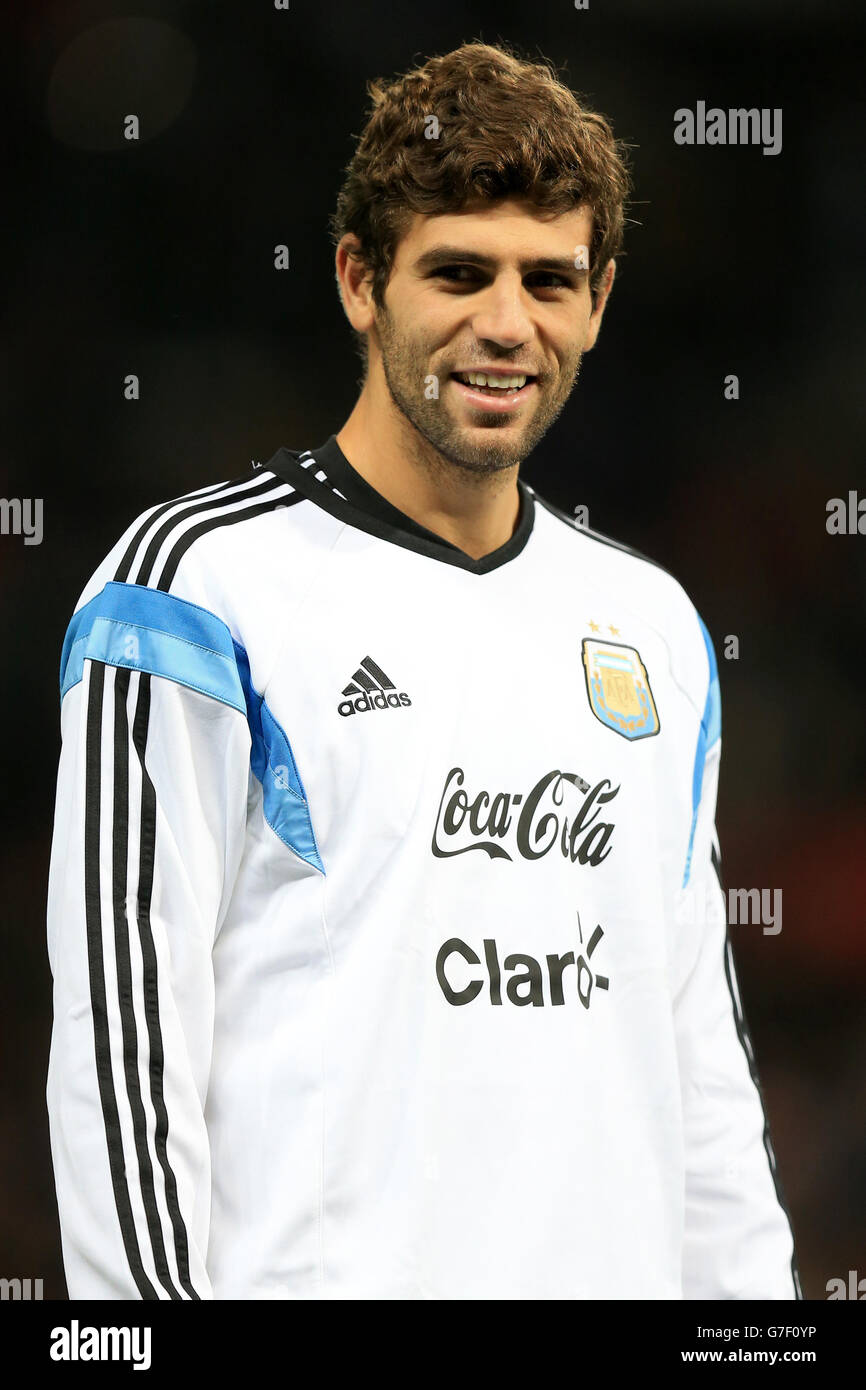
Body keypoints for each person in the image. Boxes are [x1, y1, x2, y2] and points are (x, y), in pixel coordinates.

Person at [46, 40, 800, 1299]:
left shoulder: (653, 626)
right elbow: (125, 1052)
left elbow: (698, 1070)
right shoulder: (189, 589)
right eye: (459, 271)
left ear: (598, 300)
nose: (507, 324)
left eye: (549, 281)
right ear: (358, 280)